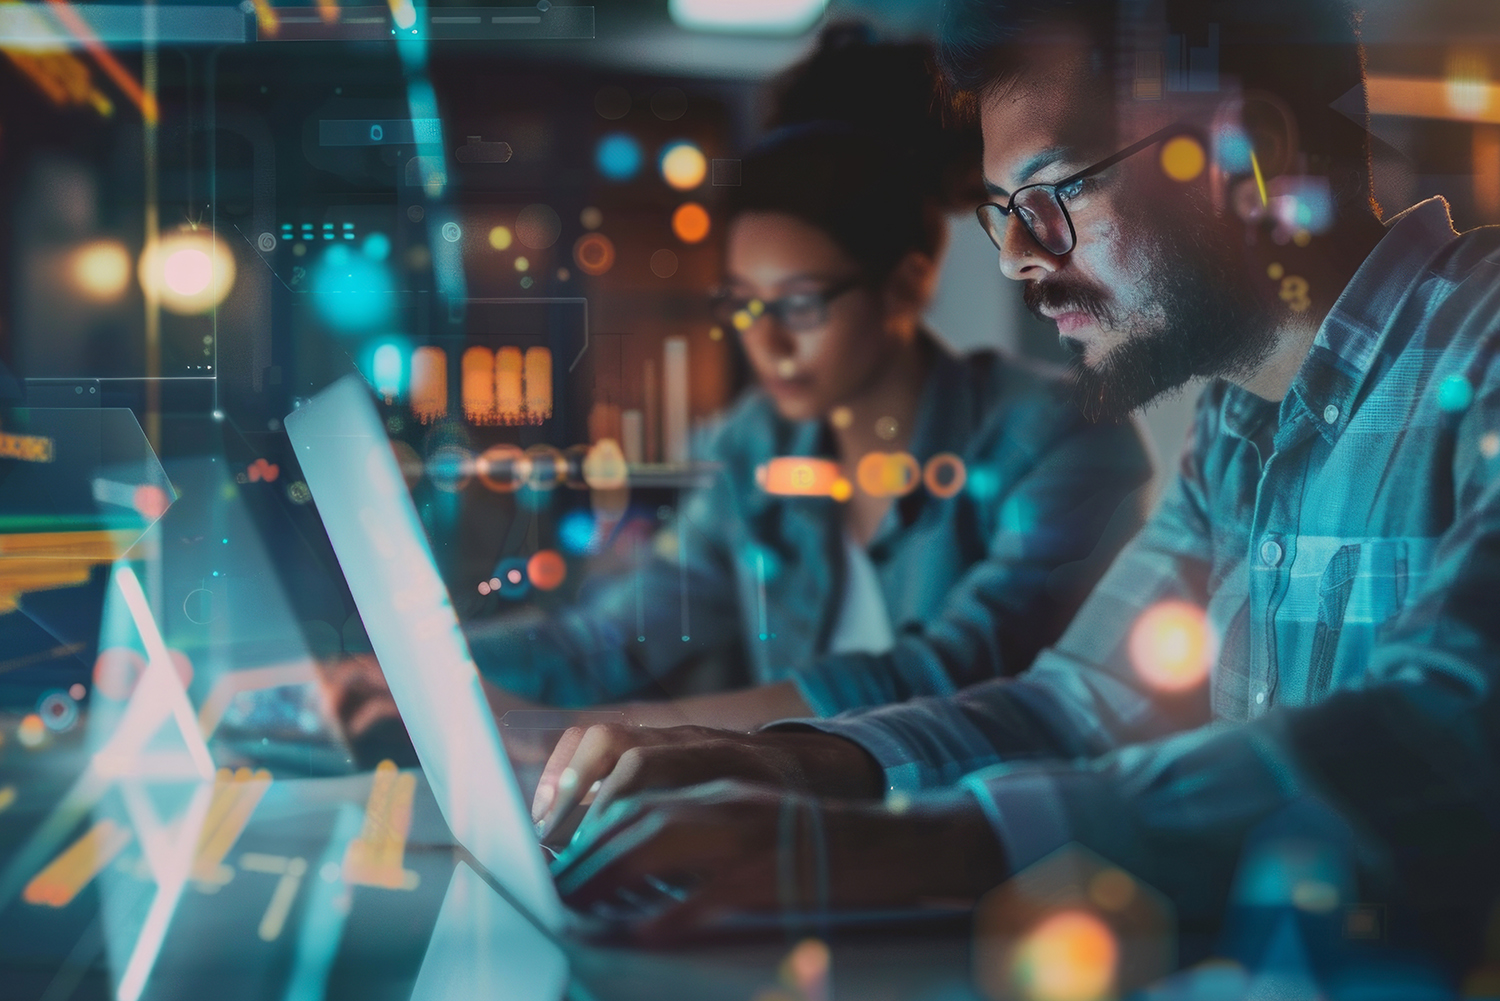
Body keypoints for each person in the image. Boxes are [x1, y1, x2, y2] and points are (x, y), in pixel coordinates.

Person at [538, 0, 1500, 970]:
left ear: (1243, 152)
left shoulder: (1486, 348)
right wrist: (794, 760)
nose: (1015, 255)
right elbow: (1075, 706)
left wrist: (920, 844)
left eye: (1055, 192)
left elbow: (1452, 727)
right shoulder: (1237, 429)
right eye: (1000, 211)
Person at [325, 28, 1151, 756]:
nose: (768, 342)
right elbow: (617, 634)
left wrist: (618, 735)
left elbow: (944, 674)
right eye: (745, 306)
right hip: (795, 841)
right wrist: (410, 667)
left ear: (902, 287)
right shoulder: (757, 446)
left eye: (798, 304)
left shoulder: (1056, 436)